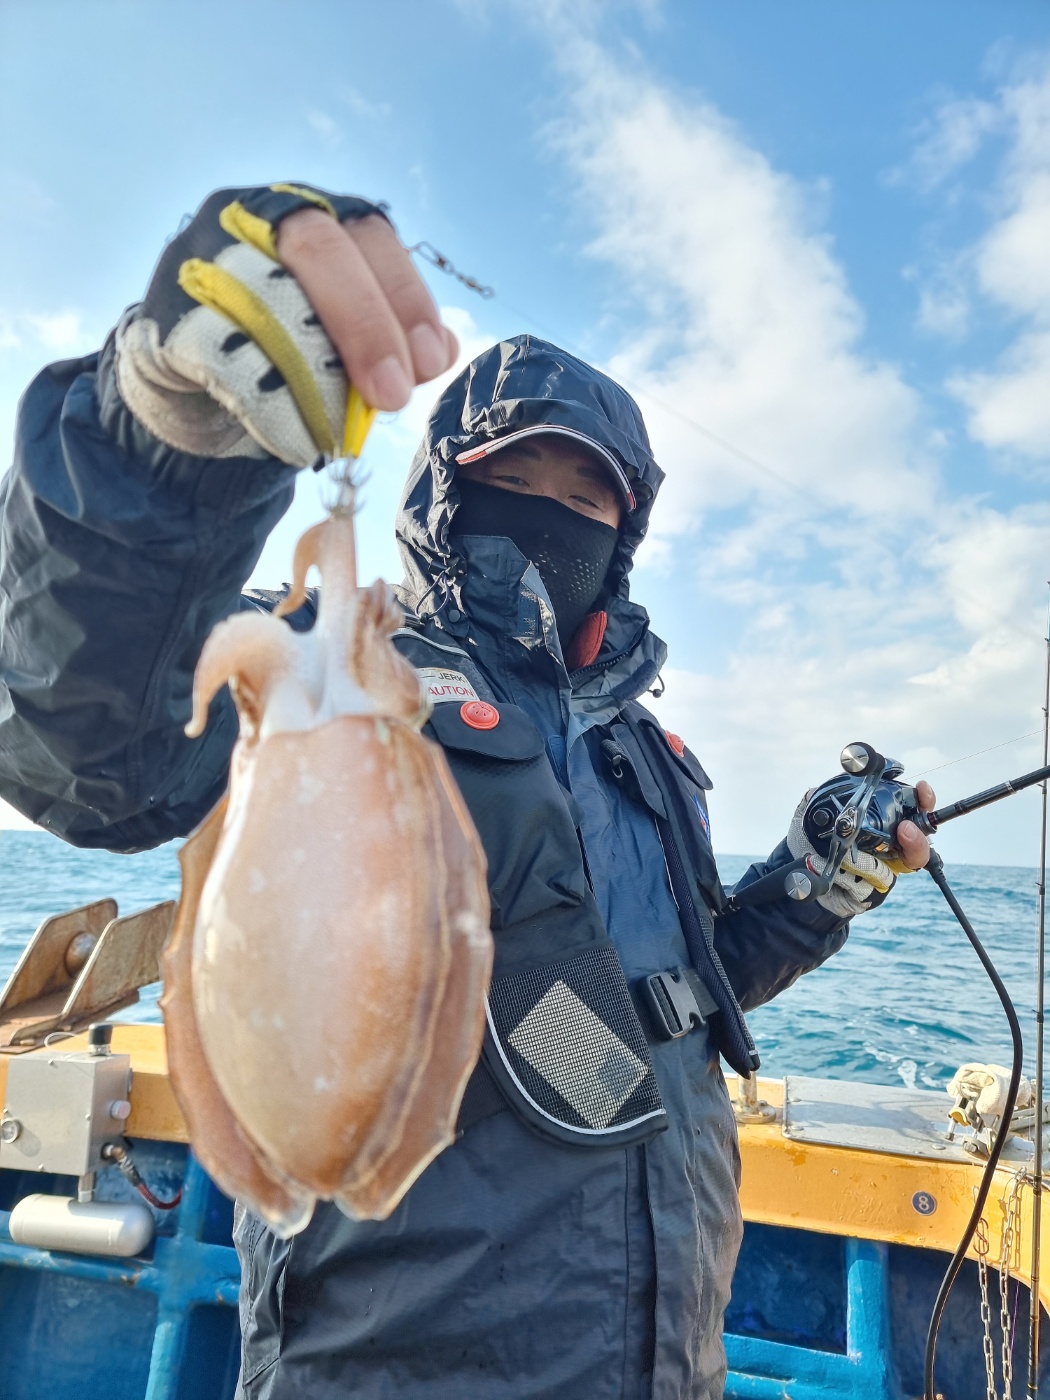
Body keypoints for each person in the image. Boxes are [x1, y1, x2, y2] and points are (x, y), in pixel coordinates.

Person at [0, 184, 934, 1399]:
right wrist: (164, 445)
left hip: (666, 1349)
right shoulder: (343, 670)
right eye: (516, 475)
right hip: (395, 1356)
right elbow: (91, 747)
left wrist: (816, 883)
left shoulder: (641, 750)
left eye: (587, 497)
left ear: (626, 532)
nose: (552, 514)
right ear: (446, 492)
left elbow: (678, 995)